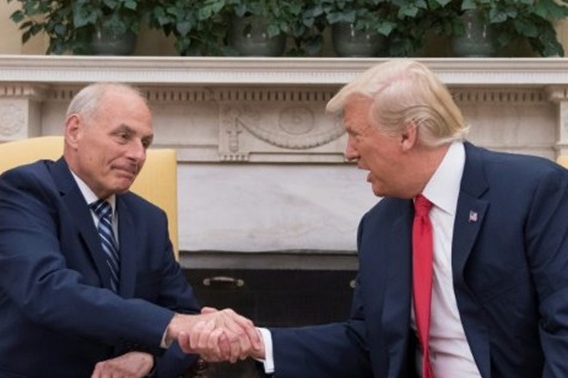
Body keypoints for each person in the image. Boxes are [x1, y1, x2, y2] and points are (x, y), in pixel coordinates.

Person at [179, 59, 568, 377]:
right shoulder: (380, 225)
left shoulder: (534, 191)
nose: (349, 153)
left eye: (355, 134)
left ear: (406, 135)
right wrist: (258, 342)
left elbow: (563, 327)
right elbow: (367, 342)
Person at [0, 83, 260, 378]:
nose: (138, 155)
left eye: (145, 142)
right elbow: (48, 291)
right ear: (75, 131)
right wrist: (172, 325)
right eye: (123, 136)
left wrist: (148, 358)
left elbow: (187, 316)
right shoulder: (26, 191)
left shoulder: (149, 220)